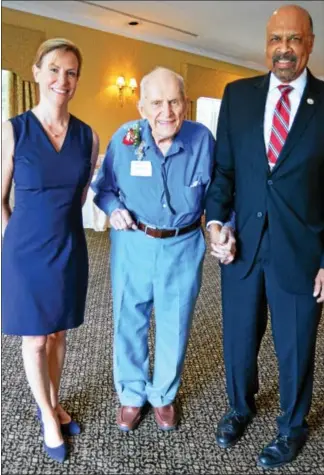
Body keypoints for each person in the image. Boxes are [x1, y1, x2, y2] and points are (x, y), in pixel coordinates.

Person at [205, 4, 324, 470]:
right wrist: (216, 223)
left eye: (294, 39)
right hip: (243, 247)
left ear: (310, 43)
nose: (284, 49)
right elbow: (223, 174)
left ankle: (292, 428)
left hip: (301, 251)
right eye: (276, 39)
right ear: (266, 44)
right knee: (238, 339)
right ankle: (240, 407)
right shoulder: (238, 97)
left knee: (295, 348)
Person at [92, 67, 215, 432]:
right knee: (129, 319)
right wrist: (113, 209)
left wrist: (224, 226)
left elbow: (221, 193)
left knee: (175, 323)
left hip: (182, 244)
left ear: (186, 103)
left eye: (175, 101)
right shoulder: (125, 138)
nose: (167, 111)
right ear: (142, 106)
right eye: (157, 102)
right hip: (134, 243)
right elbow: (105, 187)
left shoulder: (202, 140)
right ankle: (131, 393)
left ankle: (163, 394)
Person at [2, 38, 99, 462]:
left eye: (72, 72)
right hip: (24, 253)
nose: (63, 79)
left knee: (59, 332)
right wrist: (15, 245)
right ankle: (46, 415)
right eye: (55, 69)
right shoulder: (13, 130)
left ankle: (56, 401)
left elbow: (77, 198)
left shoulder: (88, 136)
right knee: (35, 339)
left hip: (69, 248)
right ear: (37, 72)